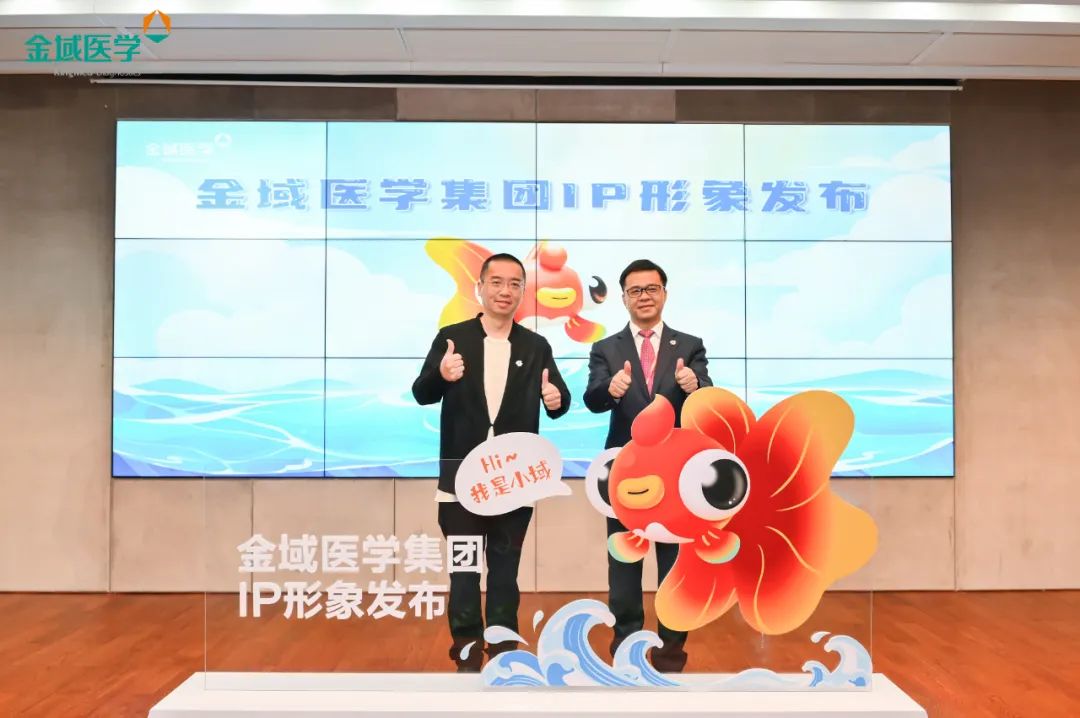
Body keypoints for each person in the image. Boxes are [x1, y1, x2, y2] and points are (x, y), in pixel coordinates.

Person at [412, 252, 571, 672]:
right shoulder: (453, 338)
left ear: (523, 291)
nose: (505, 291)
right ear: (480, 287)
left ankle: (503, 653)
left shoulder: (535, 345)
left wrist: (555, 398)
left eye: (515, 283)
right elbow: (422, 392)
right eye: (496, 282)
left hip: (514, 482)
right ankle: (466, 652)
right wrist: (441, 374)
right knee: (464, 572)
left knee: (504, 573)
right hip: (459, 484)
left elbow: (559, 401)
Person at [583, 259, 712, 673]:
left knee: (675, 568)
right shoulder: (606, 349)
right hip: (626, 474)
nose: (644, 296)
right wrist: (610, 388)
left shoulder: (689, 345)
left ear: (664, 294)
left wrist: (695, 386)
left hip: (678, 477)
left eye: (651, 289)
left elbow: (707, 398)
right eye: (635, 290)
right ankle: (626, 651)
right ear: (623, 298)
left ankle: (671, 654)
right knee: (624, 565)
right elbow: (592, 399)